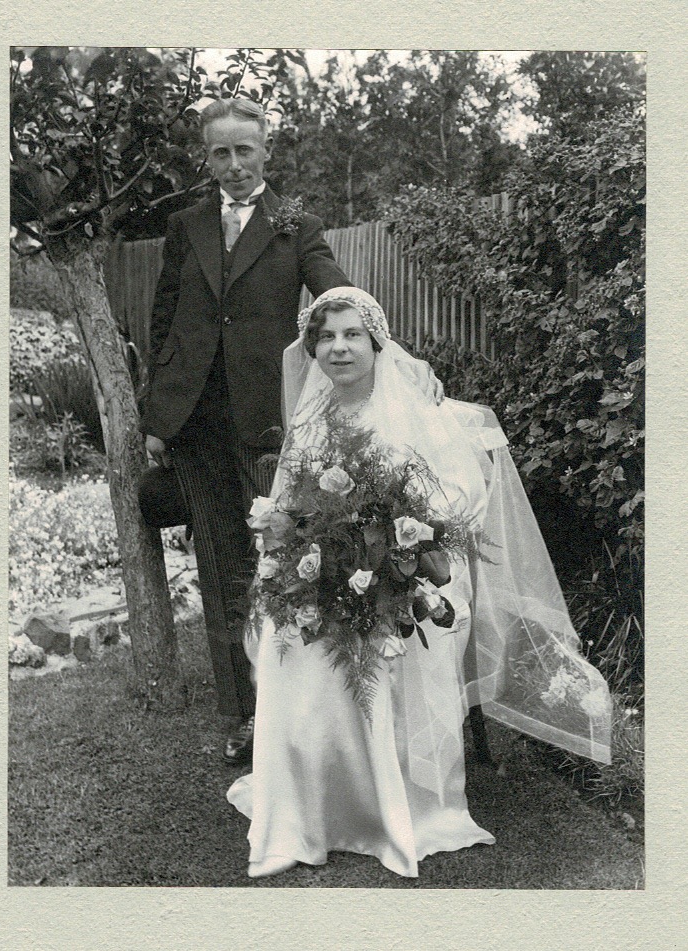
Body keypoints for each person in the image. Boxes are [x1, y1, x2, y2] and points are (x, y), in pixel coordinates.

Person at [227, 287, 612, 879]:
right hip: (331, 571)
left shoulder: (416, 409)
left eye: (352, 334)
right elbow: (288, 503)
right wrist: (293, 550)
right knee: (288, 630)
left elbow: (460, 496)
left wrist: (392, 544)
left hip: (409, 572)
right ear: (312, 349)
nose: (338, 348)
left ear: (376, 342)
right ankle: (309, 802)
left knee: (375, 626)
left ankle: (385, 800)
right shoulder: (309, 417)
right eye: (325, 337)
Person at [138, 100, 441, 763]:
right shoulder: (184, 225)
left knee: (280, 567)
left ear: (265, 151)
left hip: (269, 423)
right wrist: (157, 418)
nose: (234, 165)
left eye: (245, 150)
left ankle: (293, 711)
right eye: (220, 153)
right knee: (219, 571)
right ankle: (242, 717)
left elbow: (337, 297)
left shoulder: (295, 226)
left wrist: (395, 358)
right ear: (206, 157)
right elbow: (165, 323)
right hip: (194, 424)